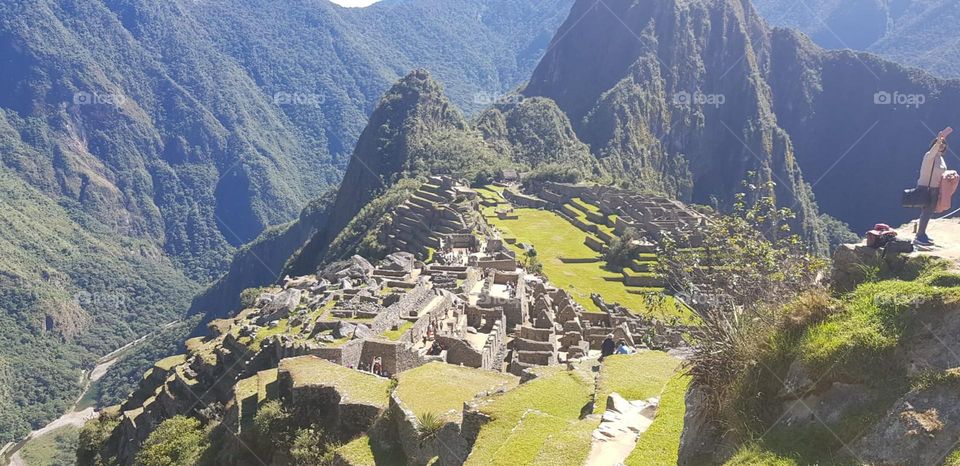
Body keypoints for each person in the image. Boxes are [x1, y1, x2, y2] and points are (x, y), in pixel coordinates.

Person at [916, 134, 950, 245]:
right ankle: (919, 236)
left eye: (943, 144)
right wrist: (939, 140)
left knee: (929, 212)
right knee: (926, 212)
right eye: (940, 144)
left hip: (935, 188)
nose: (941, 146)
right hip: (926, 187)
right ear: (935, 144)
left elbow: (941, 173)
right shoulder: (929, 156)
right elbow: (933, 150)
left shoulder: (940, 159)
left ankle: (922, 233)